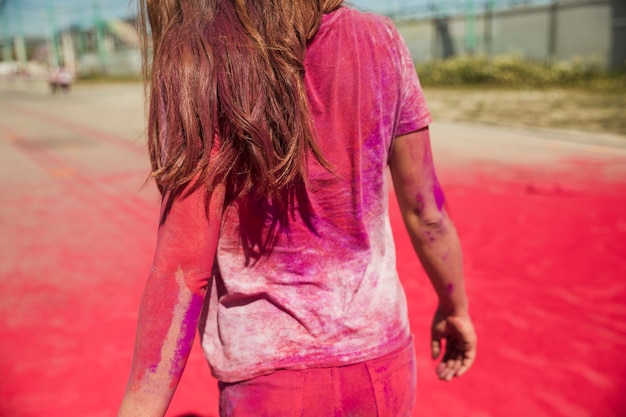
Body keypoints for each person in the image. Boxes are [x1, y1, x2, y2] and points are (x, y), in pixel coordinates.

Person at [118, 1, 477, 416]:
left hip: (271, 382)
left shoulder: (202, 52)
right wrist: (456, 310)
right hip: (382, 365)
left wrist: (139, 407)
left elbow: (182, 269)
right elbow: (427, 212)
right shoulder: (383, 39)